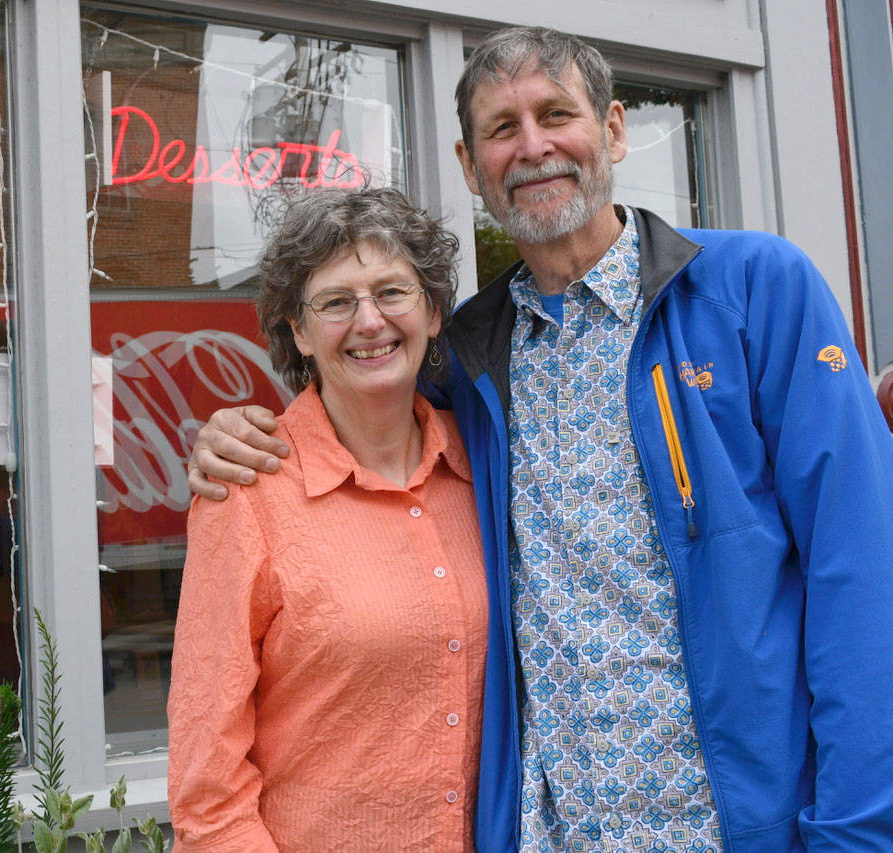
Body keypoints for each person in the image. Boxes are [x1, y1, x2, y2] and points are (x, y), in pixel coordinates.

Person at [186, 25, 893, 852]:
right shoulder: (470, 359)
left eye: (555, 113)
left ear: (616, 130)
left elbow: (862, 573)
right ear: (469, 162)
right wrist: (231, 433)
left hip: (732, 829)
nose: (533, 147)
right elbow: (357, 385)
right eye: (500, 128)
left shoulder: (755, 291)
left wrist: (855, 829)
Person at [167, 187, 489, 851]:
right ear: (300, 331)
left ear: (432, 314)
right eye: (337, 302)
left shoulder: (486, 464)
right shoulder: (249, 492)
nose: (369, 321)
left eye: (392, 293)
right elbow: (208, 784)